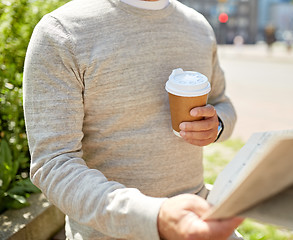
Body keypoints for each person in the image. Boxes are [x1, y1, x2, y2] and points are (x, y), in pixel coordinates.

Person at [23, 0, 243, 239]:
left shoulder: (198, 26)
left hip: (202, 222)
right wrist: (154, 216)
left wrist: (217, 125)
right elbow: (53, 163)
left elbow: (223, 104)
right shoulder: (61, 31)